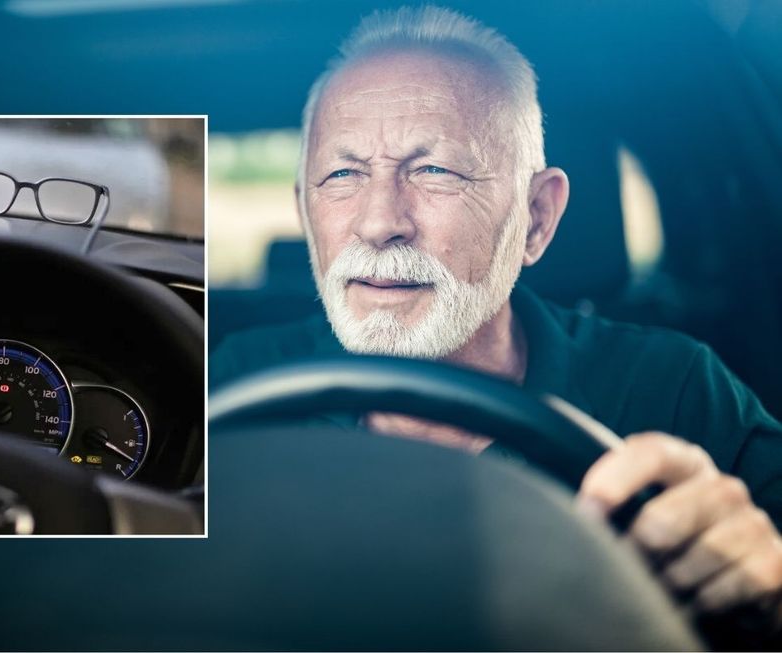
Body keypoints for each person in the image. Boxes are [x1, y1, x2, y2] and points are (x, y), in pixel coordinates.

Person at [211, 4, 782, 642]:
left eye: (434, 171)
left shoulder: (673, 389)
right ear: (304, 211)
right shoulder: (227, 381)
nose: (378, 223)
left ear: (536, 218)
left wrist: (765, 581)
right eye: (342, 174)